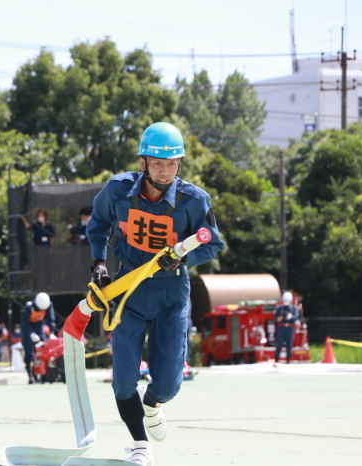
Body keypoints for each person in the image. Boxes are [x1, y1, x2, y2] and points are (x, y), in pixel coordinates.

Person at [86, 122, 224, 465]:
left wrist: (181, 257)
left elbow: (213, 244)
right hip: (128, 293)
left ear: (180, 164)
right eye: (158, 163)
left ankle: (152, 405)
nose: (165, 172)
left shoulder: (194, 200)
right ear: (143, 161)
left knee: (167, 386)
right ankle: (139, 444)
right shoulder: (117, 189)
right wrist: (99, 262)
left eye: (172, 164)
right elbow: (98, 224)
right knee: (122, 383)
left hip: (171, 297)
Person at [21, 292, 56, 384]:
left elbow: (50, 319)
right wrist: (31, 333)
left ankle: (43, 375)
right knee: (29, 353)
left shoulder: (49, 305)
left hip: (39, 326)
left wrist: (51, 332)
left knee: (43, 350)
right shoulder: (29, 307)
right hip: (29, 329)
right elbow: (24, 323)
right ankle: (31, 376)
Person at [274, 291, 299, 366]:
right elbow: (275, 318)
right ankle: (276, 360)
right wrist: (280, 318)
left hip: (290, 328)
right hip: (281, 327)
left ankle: (288, 360)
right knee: (279, 344)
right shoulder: (280, 308)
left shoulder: (294, 308)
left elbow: (296, 316)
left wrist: (290, 316)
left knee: (289, 344)